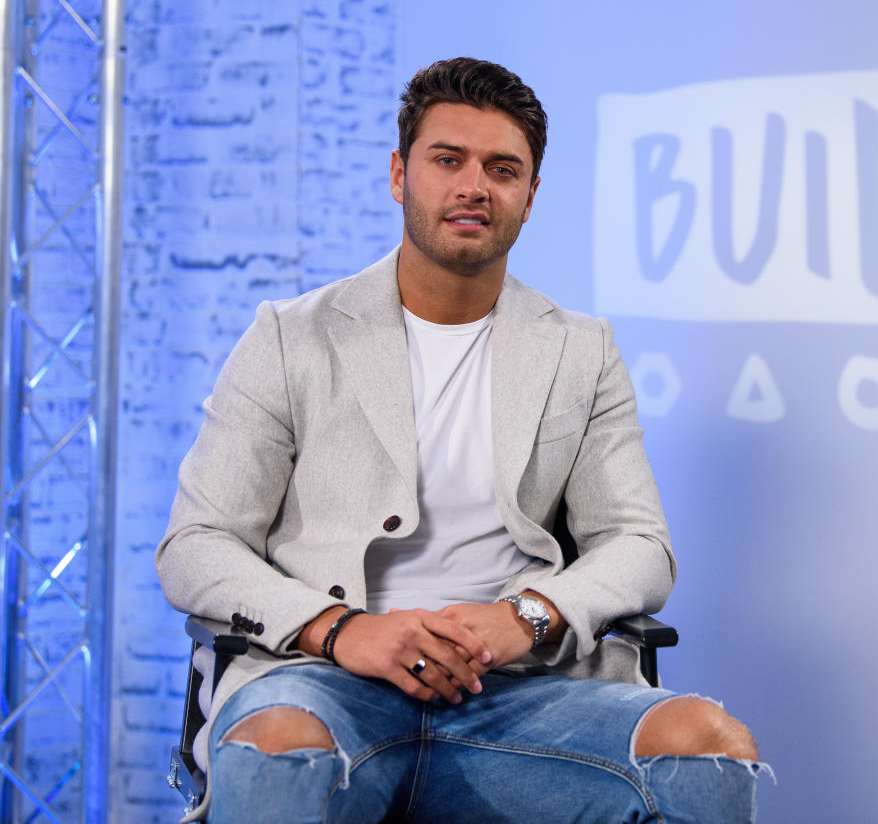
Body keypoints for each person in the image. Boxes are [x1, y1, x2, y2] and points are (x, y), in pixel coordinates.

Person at [157, 57, 764, 823]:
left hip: (521, 696)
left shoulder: (581, 350)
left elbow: (640, 544)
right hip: (324, 682)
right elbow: (196, 544)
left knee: (706, 744)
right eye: (448, 160)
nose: (474, 185)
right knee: (280, 747)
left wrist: (526, 615)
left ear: (531, 196)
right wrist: (343, 630)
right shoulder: (290, 338)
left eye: (502, 168)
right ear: (398, 174)